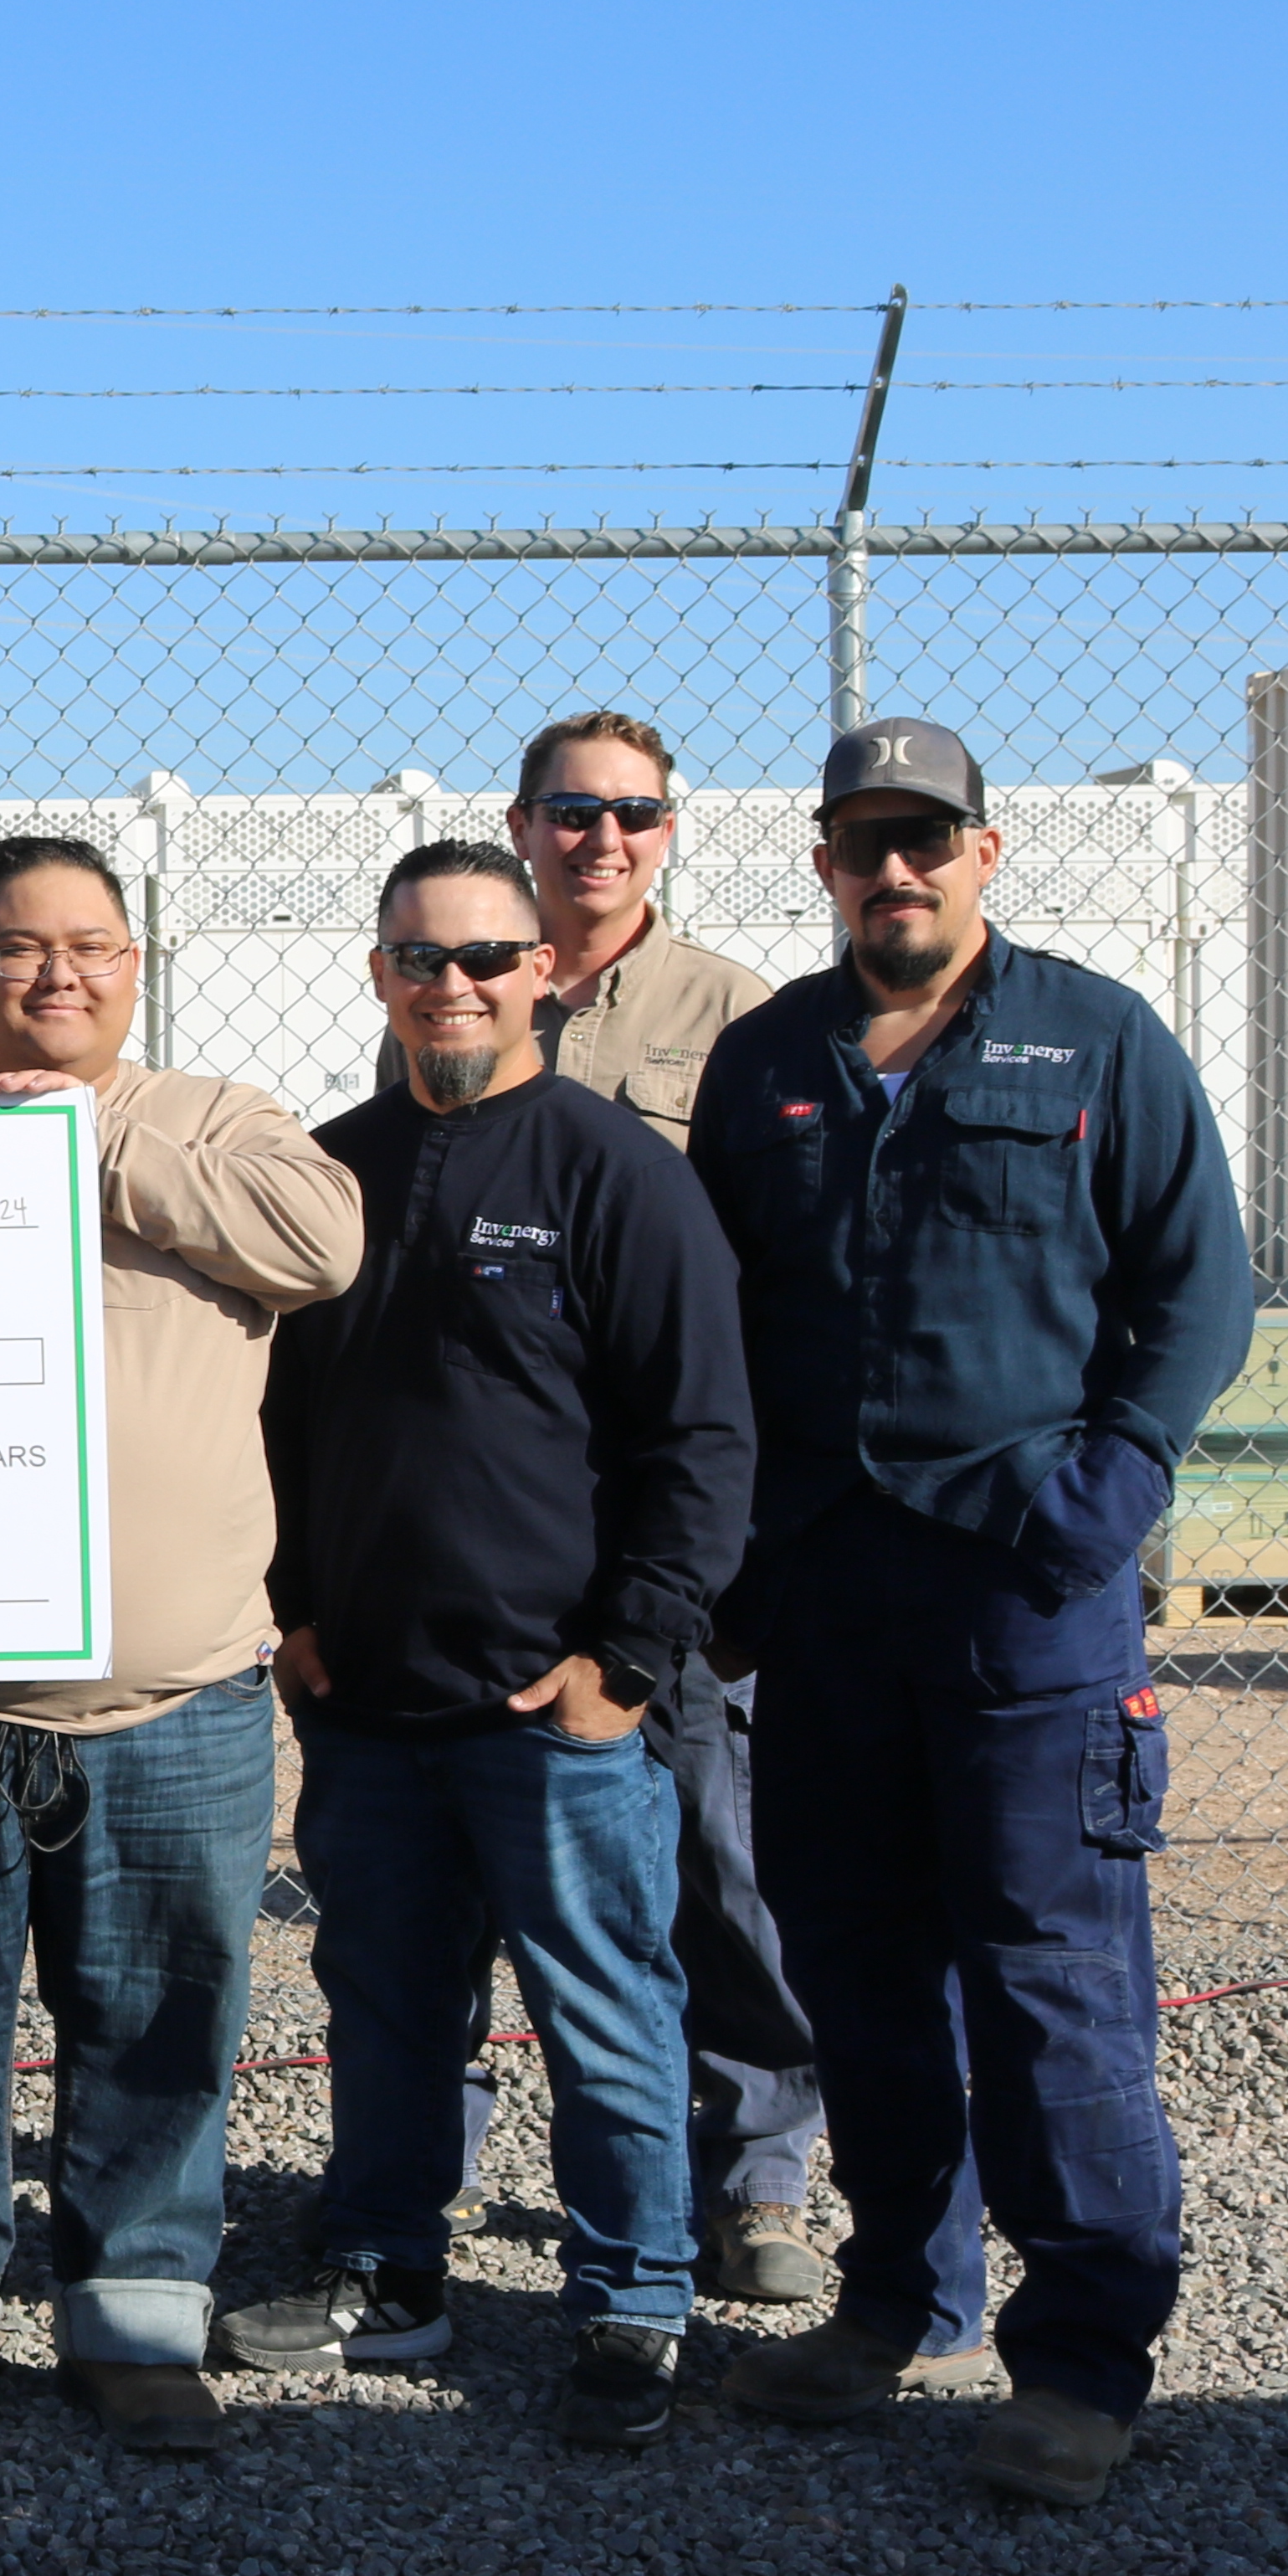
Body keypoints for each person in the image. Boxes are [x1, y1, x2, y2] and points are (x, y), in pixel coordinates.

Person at [693, 717, 1253, 2509]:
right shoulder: (766, 1060)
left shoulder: (1096, 1036)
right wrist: (735, 1565)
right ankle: (897, 2300)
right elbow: (719, 1321)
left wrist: (1109, 1488)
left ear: (985, 855)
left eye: (927, 839)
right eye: (865, 842)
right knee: (857, 1966)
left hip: (1025, 1587)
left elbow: (1198, 1287)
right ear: (824, 863)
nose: (897, 870)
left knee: (1049, 1977)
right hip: (826, 1589)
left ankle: (1082, 2356)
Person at [0, 835, 359, 2457]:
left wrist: (88, 1143)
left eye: (91, 945)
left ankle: (138, 2310)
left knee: (168, 2009)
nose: (57, 973)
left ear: (133, 966)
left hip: (171, 1694)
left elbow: (322, 1245)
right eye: (20, 946)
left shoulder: (216, 1121)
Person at [371, 710, 922, 2323]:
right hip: (491, 1528)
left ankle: (754, 2174)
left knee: (710, 1866)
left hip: (662, 1532)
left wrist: (728, 1544)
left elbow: (790, 1290)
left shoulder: (737, 1024)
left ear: (670, 831)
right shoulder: (457, 993)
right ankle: (420, 2184)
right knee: (454, 1875)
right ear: (523, 827)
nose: (600, 839)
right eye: (571, 810)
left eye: (633, 813)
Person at [228, 842, 754, 2453]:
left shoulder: (616, 1173)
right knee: (388, 2008)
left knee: (607, 2010)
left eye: (482, 958)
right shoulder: (331, 1172)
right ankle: (390, 2271)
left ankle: (633, 2302)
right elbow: (281, 1421)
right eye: (418, 958)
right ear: (378, 973)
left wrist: (627, 1663)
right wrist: (295, 1611)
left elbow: (703, 1436)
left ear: (539, 973)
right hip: (371, 1703)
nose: (449, 986)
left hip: (553, 1707)